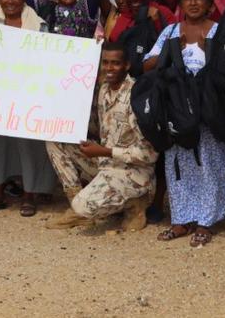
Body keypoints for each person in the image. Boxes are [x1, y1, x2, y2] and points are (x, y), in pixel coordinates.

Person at [142, 0, 225, 247]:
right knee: (177, 164)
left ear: (210, 5)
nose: (194, 3)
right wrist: (173, 48)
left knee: (210, 163)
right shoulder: (171, 31)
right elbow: (147, 65)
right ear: (181, 5)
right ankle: (180, 219)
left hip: (210, 110)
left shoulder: (219, 31)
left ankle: (206, 221)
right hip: (176, 110)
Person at [46, 43, 157, 231]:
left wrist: (105, 151)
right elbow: (99, 128)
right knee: (55, 141)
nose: (109, 68)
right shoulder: (104, 89)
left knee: (85, 205)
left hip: (134, 173)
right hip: (106, 163)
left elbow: (149, 154)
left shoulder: (136, 96)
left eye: (115, 63)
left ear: (127, 65)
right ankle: (77, 207)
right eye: (105, 63)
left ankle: (136, 204)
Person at [0, 0, 59, 216]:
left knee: (28, 145)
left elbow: (49, 60)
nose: (10, 0)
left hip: (28, 95)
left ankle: (29, 195)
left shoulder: (39, 25)